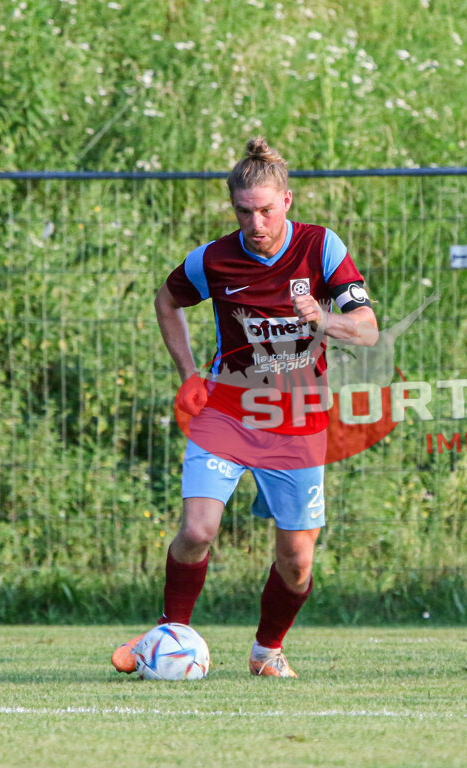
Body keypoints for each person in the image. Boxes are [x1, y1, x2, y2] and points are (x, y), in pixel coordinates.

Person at [112, 137, 378, 678]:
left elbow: (368, 331)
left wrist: (321, 320)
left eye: (266, 209)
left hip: (297, 418)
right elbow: (166, 300)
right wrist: (189, 374)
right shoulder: (213, 258)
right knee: (197, 530)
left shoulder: (321, 247)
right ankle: (166, 635)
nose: (255, 223)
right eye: (244, 211)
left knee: (298, 563)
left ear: (288, 201)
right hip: (228, 411)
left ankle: (266, 651)